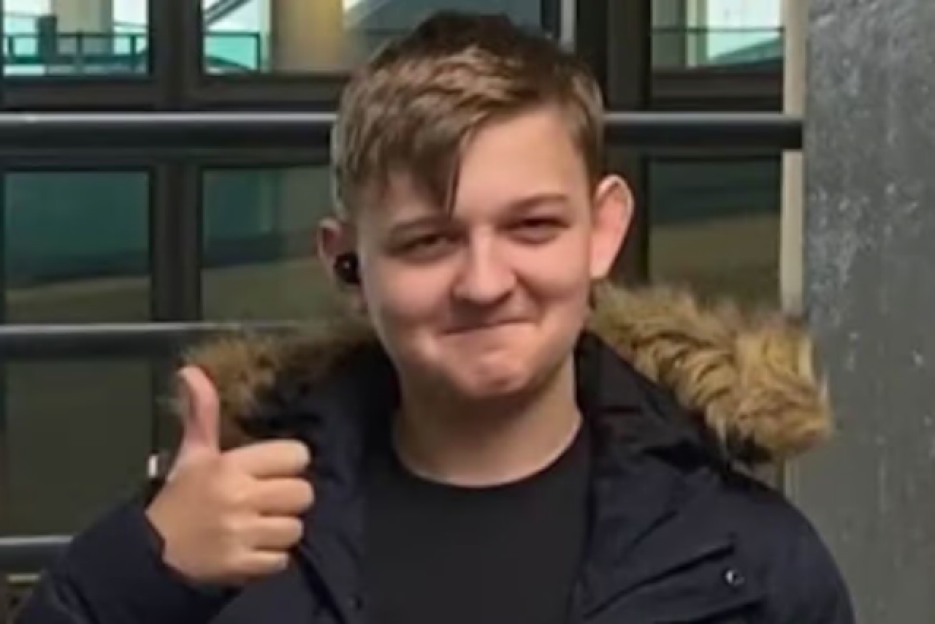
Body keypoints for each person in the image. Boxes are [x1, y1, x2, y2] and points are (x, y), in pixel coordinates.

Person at [17, 10, 854, 624]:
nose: (484, 282)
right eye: (427, 242)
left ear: (603, 231)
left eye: (531, 226)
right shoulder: (228, 537)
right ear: (347, 261)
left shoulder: (745, 563)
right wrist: (134, 577)